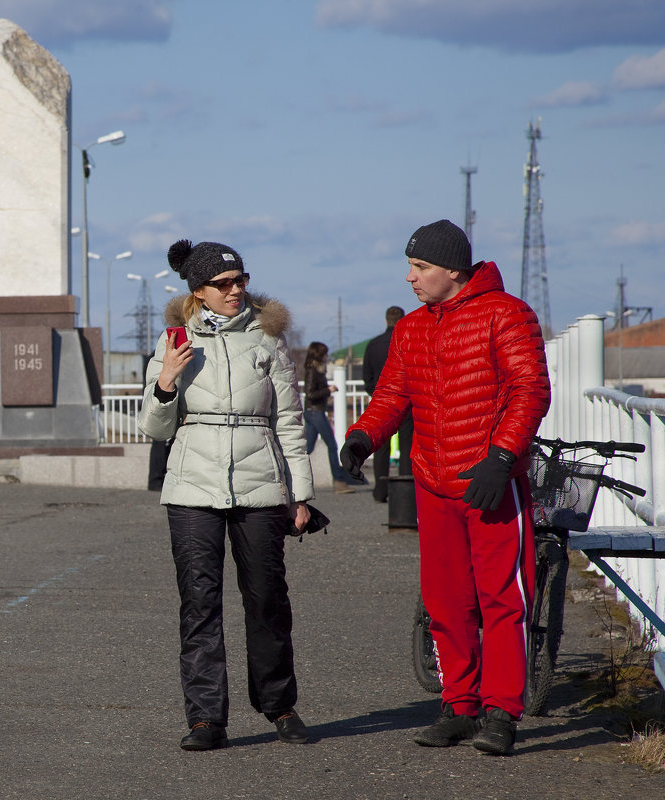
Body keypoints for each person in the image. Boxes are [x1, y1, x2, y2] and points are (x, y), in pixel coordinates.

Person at [339, 219, 550, 756]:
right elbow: (392, 394)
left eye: (420, 267)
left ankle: (502, 711)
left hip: (489, 485)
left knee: (502, 599)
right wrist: (363, 435)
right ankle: (459, 706)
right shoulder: (411, 328)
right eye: (410, 266)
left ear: (453, 270)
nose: (410, 277)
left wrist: (501, 458)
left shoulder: (508, 314)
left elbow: (531, 389)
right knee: (444, 601)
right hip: (434, 483)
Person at [138, 239, 315, 752]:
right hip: (192, 486)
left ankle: (279, 705)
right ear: (199, 291)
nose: (237, 290)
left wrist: (299, 496)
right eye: (224, 284)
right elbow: (154, 428)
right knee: (199, 604)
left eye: (241, 281)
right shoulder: (174, 339)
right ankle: (205, 719)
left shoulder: (266, 338)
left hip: (261, 483)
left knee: (267, 599)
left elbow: (289, 421)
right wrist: (166, 380)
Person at [362, 306, 413, 503]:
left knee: (381, 446)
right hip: (408, 402)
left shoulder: (373, 345)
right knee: (407, 444)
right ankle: (406, 492)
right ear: (402, 320)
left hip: (381, 401)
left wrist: (377, 395)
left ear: (386, 320)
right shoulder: (409, 341)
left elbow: (367, 377)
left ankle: (380, 490)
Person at [302, 342, 357, 494]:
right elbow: (310, 394)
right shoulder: (313, 370)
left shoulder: (315, 369)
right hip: (315, 413)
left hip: (313, 412)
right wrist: (328, 390)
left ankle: (295, 477)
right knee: (332, 445)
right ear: (319, 355)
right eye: (324, 354)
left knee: (308, 448)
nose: (327, 356)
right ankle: (338, 481)